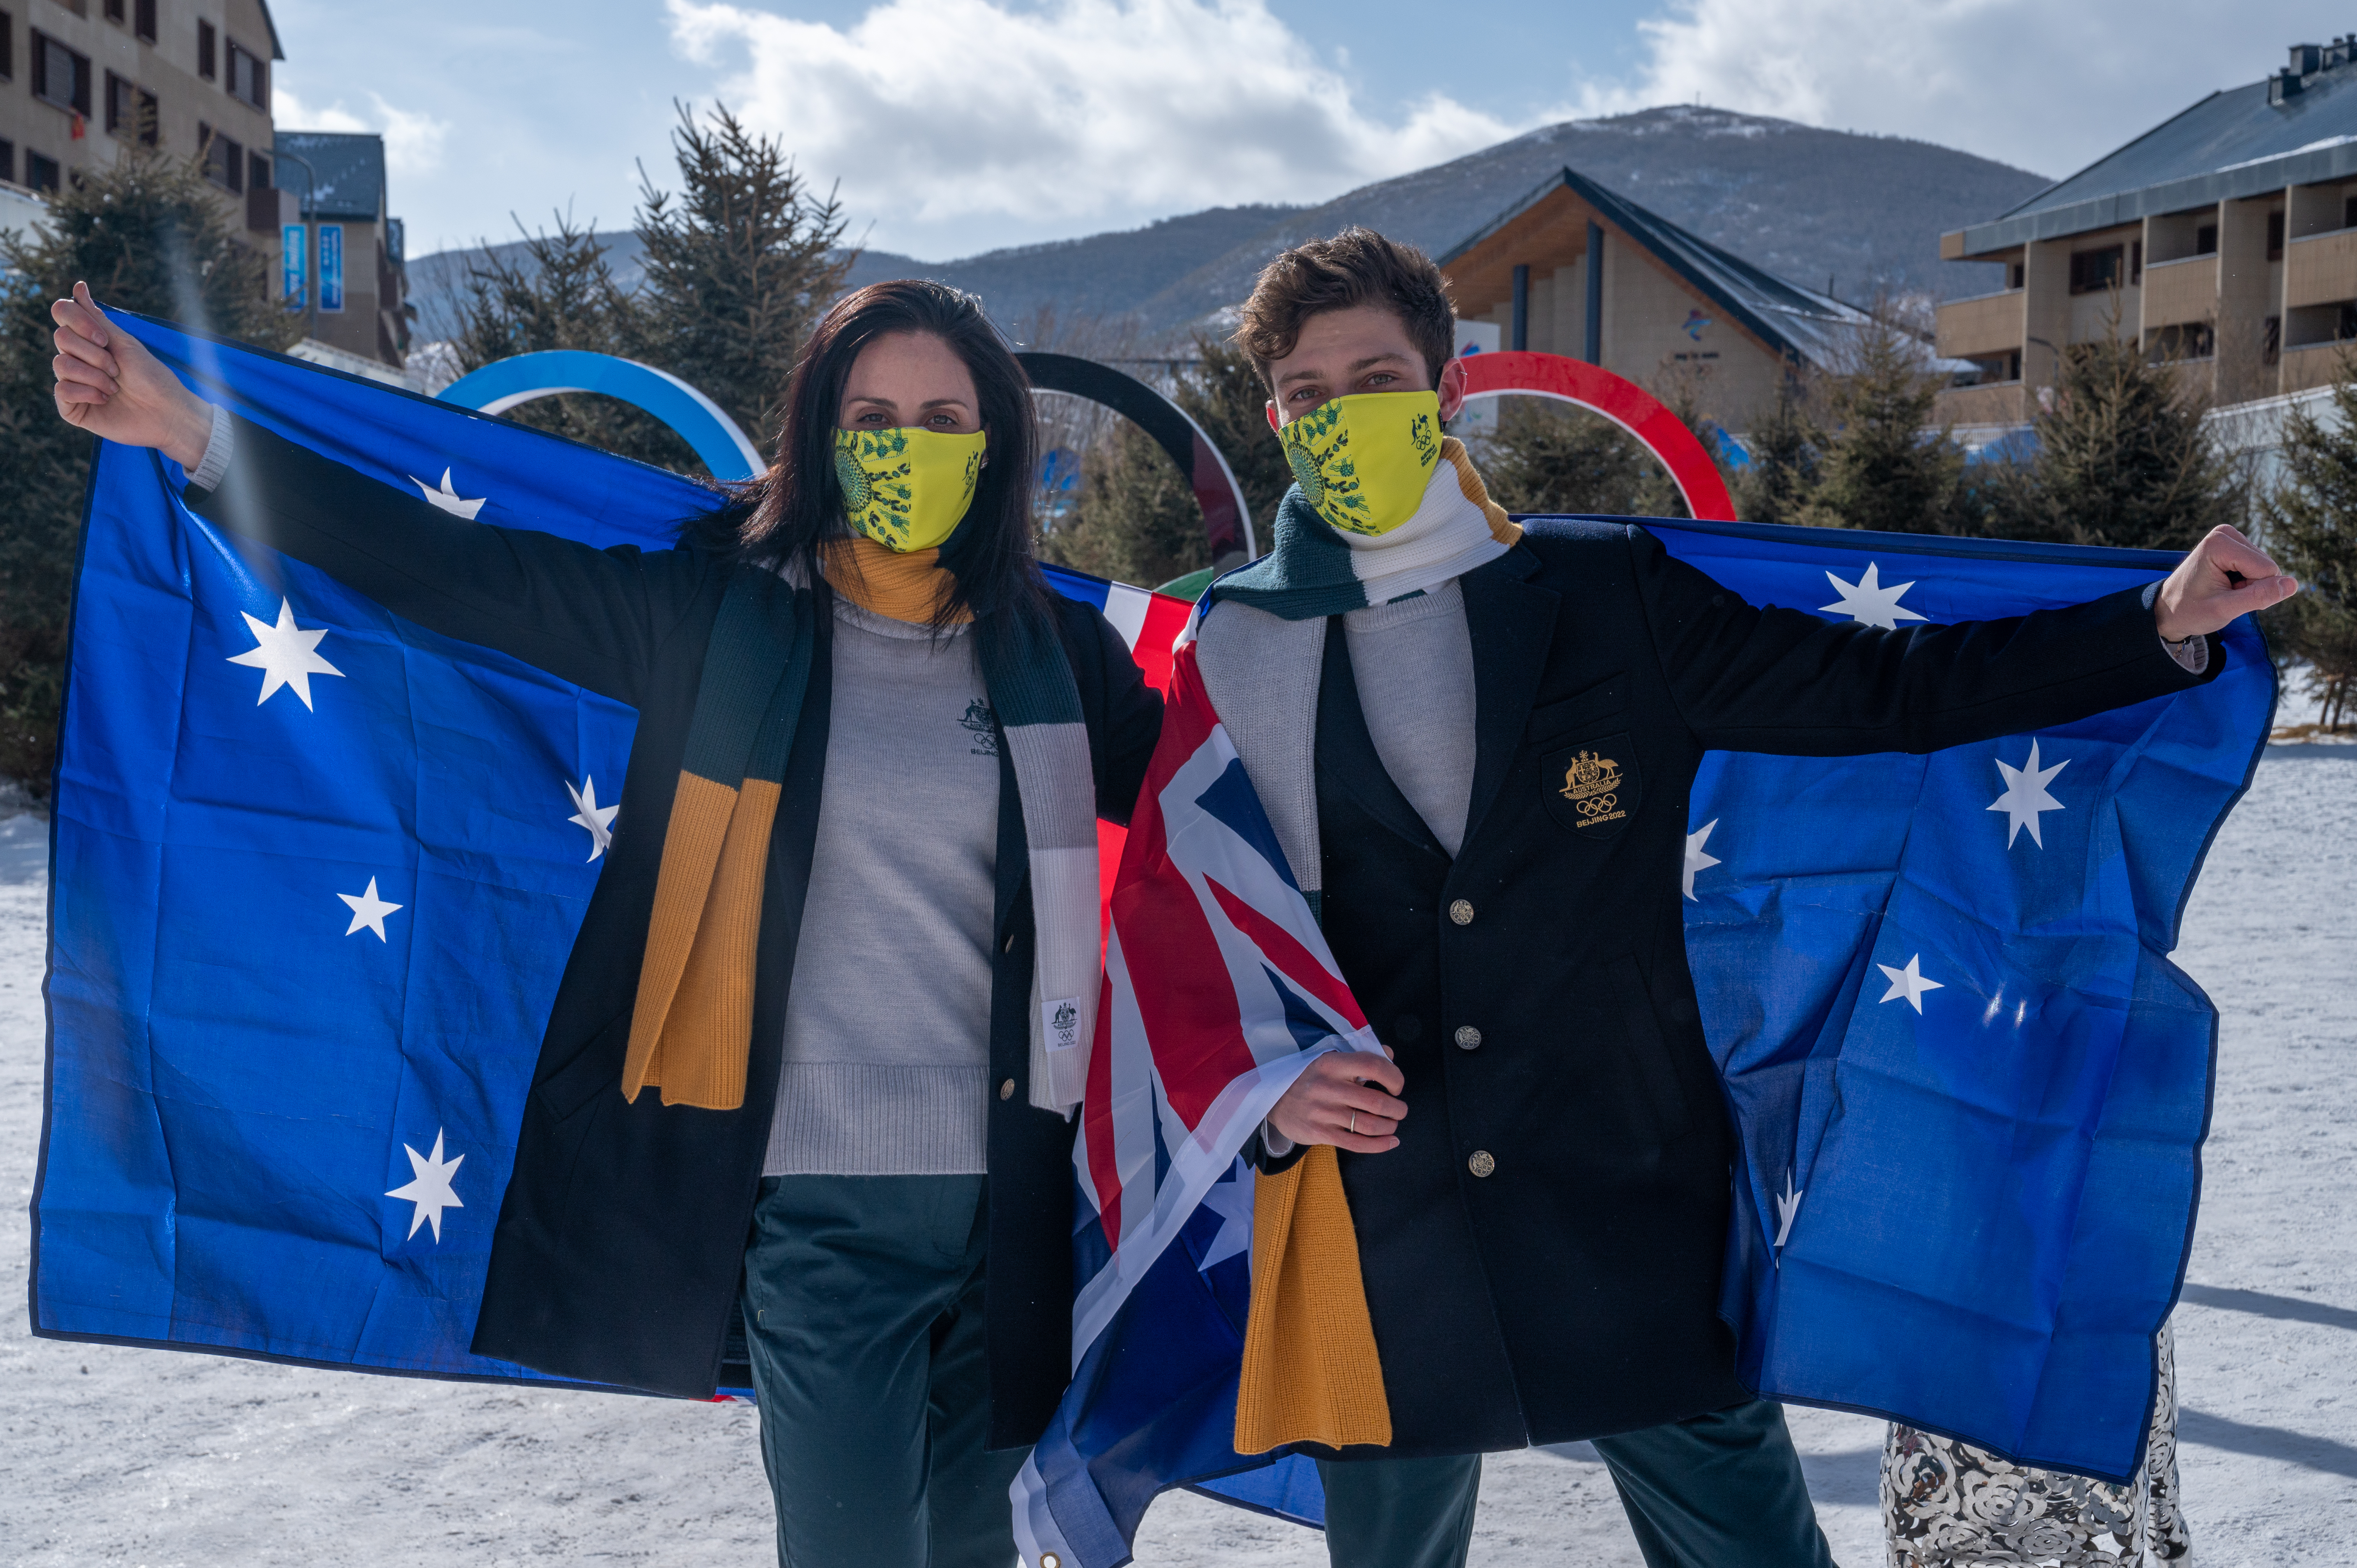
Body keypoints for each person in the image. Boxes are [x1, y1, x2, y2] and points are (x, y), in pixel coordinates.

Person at [1189, 228, 2292, 1568]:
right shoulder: (1223, 645)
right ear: (1274, 418)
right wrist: (1258, 1092)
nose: (1340, 417)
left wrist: (2150, 625)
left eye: (1373, 378)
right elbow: (1171, 939)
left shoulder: (1607, 594)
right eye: (1309, 396)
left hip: (1627, 1191)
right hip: (1376, 1211)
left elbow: (1883, 692)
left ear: (1448, 392)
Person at [49, 277, 1163, 1568]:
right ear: (821, 434)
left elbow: (1222, 812)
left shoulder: (1062, 656)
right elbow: (459, 571)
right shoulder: (721, 618)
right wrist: (194, 435)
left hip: (1018, 1202)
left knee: (981, 1554)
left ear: (992, 444)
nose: (902, 443)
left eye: (938, 415)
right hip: (819, 1209)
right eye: (871, 415)